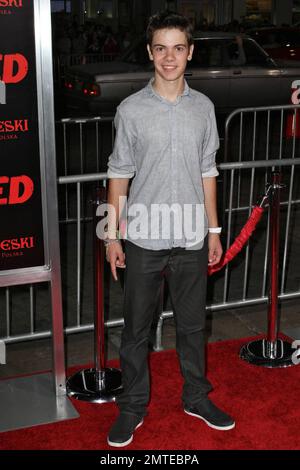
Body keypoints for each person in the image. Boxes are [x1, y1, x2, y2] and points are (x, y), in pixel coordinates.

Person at [105, 11, 235, 448]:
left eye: (178, 48)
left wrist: (215, 231)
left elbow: (208, 171)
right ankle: (132, 406)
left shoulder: (204, 108)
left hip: (193, 237)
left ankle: (197, 397)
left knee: (194, 326)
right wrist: (112, 235)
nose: (169, 57)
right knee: (135, 329)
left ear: (190, 52)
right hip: (143, 235)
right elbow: (119, 174)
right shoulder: (131, 110)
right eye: (161, 48)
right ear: (150, 52)